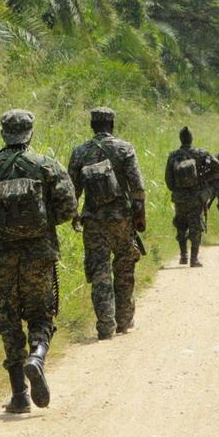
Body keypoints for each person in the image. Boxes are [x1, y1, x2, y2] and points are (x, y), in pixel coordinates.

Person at [0, 110, 77, 414]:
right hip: (40, 253)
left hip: (2, 256)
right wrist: (45, 225)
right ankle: (37, 357)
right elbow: (68, 207)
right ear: (29, 133)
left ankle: (19, 395)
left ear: (3, 133)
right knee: (41, 313)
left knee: (8, 318)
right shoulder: (46, 165)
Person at [68, 107, 146, 340]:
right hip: (122, 220)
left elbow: (72, 190)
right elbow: (137, 187)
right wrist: (140, 216)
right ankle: (124, 320)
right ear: (111, 124)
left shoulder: (80, 152)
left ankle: (105, 325)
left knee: (100, 271)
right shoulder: (124, 149)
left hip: (93, 222)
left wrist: (74, 216)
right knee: (124, 267)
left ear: (92, 125)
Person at [164, 127, 219, 267]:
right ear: (191, 139)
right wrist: (203, 179)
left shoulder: (173, 156)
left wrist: (177, 189)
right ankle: (194, 259)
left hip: (180, 198)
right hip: (197, 197)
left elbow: (168, 179)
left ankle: (183, 256)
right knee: (196, 226)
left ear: (180, 139)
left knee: (181, 224)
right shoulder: (201, 153)